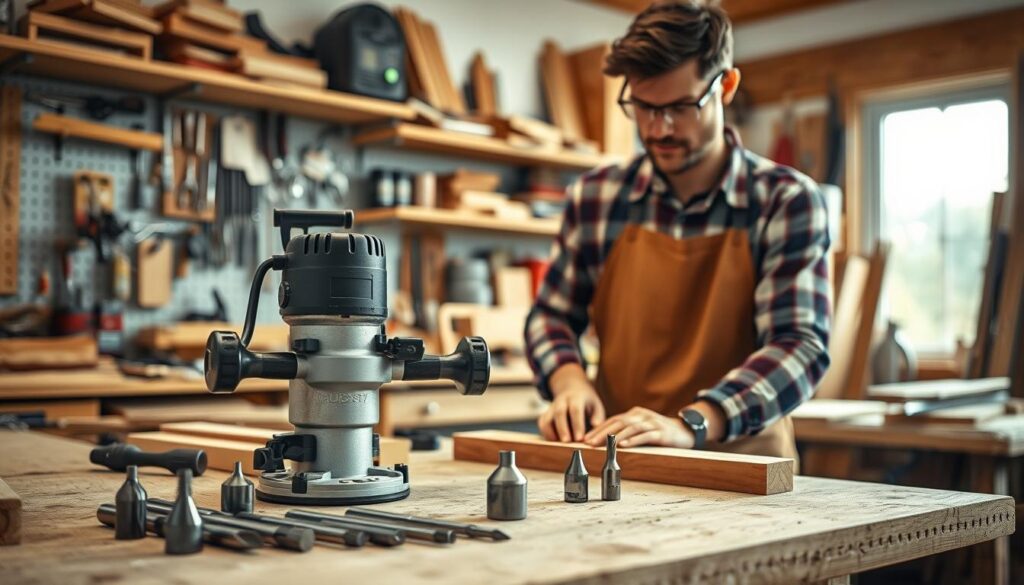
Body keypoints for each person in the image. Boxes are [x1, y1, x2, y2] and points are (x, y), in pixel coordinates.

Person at [524, 0, 831, 459]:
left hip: (743, 463)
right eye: (643, 107)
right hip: (621, 458)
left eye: (680, 107)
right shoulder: (596, 199)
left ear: (725, 86)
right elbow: (551, 317)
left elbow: (799, 345)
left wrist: (693, 423)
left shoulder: (785, 201)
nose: (658, 128)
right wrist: (569, 382)